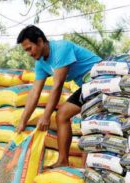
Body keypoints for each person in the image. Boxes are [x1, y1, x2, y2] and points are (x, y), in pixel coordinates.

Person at [15, 25, 100, 167]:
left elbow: (57, 85)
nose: (29, 53)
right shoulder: (40, 63)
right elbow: (35, 93)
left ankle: (86, 168)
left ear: (40, 41)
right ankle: (63, 161)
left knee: (85, 119)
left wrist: (46, 116)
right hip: (86, 87)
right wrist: (23, 122)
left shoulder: (61, 49)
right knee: (61, 115)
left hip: (101, 79)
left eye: (30, 48)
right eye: (26, 51)